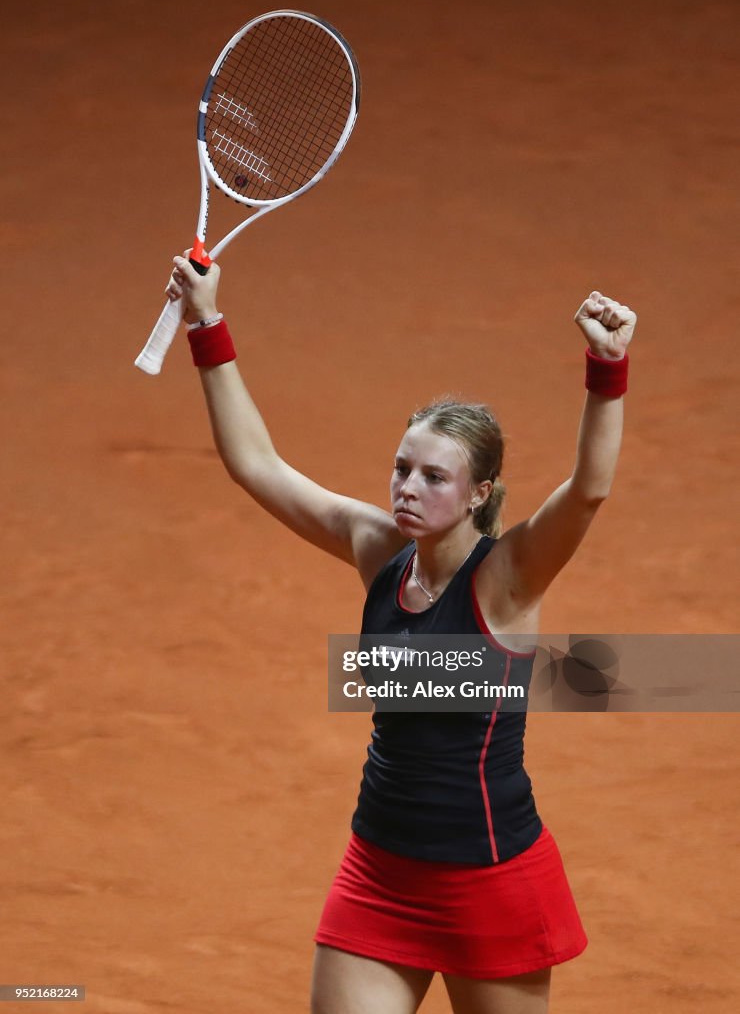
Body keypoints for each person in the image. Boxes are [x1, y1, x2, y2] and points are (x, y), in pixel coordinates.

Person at [165, 254, 636, 1014]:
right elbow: (255, 463)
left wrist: (606, 369)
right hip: (380, 875)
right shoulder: (378, 548)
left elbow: (589, 490)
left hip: (490, 881)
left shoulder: (509, 576)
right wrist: (207, 323)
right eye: (401, 468)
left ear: (481, 493)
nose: (407, 489)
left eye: (434, 477)